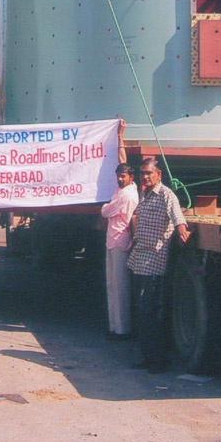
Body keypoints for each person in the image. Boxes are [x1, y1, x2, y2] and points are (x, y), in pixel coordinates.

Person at [127, 157, 190, 371]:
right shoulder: (143, 195)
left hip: (154, 261)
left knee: (151, 312)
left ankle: (159, 361)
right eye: (143, 173)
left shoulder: (166, 195)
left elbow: (177, 215)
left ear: (159, 174)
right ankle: (148, 358)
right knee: (141, 312)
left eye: (149, 173)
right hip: (138, 259)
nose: (145, 177)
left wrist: (182, 230)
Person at [100, 120, 137, 339]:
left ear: (131, 178)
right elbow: (123, 160)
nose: (120, 179)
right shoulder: (123, 188)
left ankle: (122, 329)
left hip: (120, 243)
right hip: (111, 240)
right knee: (111, 285)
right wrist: (120, 136)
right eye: (118, 176)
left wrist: (105, 207)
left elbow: (105, 211)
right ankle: (114, 326)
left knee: (120, 288)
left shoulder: (127, 195)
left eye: (123, 176)